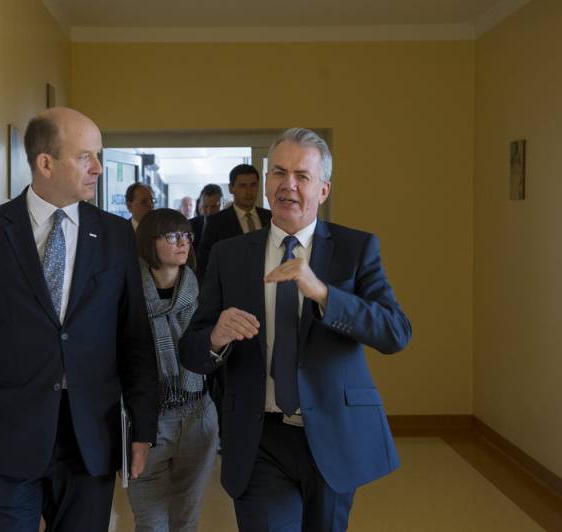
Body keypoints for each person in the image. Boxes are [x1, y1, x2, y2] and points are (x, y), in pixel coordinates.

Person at [0, 107, 159, 531]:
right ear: (46, 163)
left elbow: (134, 338)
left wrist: (143, 430)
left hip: (90, 440)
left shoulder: (116, 236)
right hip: (9, 439)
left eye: (98, 156)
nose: (98, 168)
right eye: (85, 157)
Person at [179, 128, 412, 532]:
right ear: (267, 182)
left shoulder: (356, 249)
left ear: (323, 190)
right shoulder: (229, 254)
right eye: (279, 172)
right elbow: (191, 351)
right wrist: (216, 336)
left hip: (333, 435)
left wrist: (324, 293)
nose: (288, 184)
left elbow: (395, 332)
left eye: (302, 176)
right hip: (257, 438)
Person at [127, 208, 218, 532]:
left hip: (197, 413)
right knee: (151, 524)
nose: (183, 243)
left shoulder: (202, 290)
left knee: (185, 521)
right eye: (172, 236)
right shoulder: (126, 292)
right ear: (148, 242)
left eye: (186, 236)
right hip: (147, 420)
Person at [196, 164, 270, 278]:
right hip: (231, 283)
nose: (249, 192)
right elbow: (204, 263)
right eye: (243, 186)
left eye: (253, 185)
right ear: (231, 188)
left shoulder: (270, 217)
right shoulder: (216, 222)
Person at [189, 183, 223, 253]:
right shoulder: (190, 225)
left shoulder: (230, 224)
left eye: (213, 207)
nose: (209, 211)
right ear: (200, 205)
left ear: (221, 205)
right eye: (205, 206)